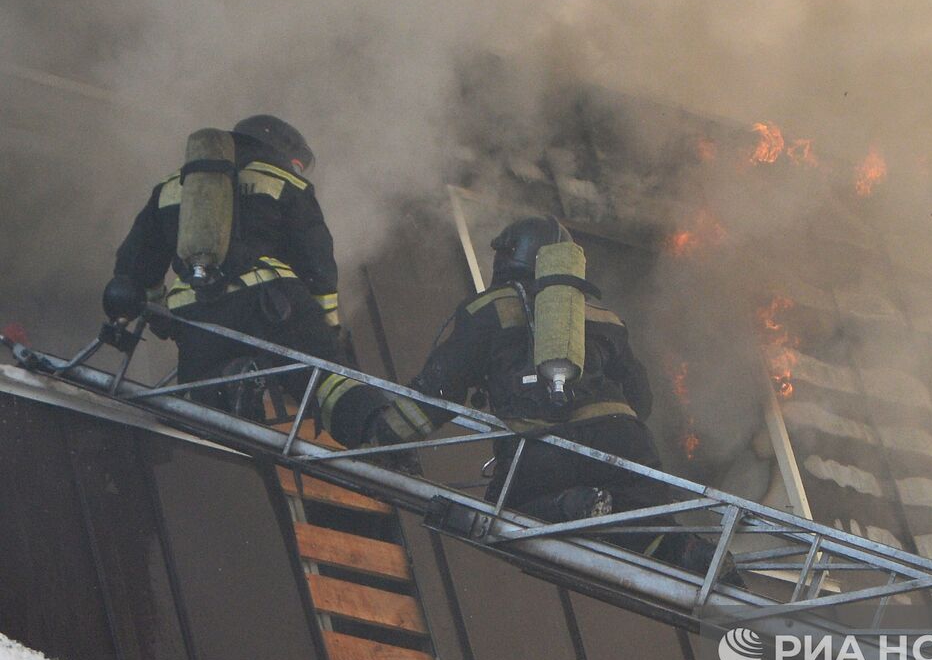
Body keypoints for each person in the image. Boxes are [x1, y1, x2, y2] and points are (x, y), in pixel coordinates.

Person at [317, 215, 735, 578]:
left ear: (509, 257)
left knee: (506, 512)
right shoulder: (606, 317)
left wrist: (388, 434)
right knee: (649, 528)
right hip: (623, 441)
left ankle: (576, 505)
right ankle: (692, 552)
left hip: (543, 445)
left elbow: (439, 391)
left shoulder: (488, 311)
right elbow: (641, 400)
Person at [103, 116, 342, 414]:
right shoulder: (284, 181)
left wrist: (159, 315)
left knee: (215, 413)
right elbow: (316, 260)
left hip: (196, 315)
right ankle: (376, 429)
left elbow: (136, 265)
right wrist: (326, 327)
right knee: (329, 381)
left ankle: (235, 386)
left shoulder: (172, 187)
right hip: (269, 305)